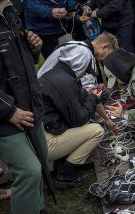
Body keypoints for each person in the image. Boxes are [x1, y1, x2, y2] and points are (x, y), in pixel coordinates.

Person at [0, 0, 66, 214]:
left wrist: (34, 49)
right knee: (28, 170)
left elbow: (18, 61)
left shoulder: (9, 11)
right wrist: (8, 111)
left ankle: (37, 213)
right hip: (2, 116)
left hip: (30, 106)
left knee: (42, 160)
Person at [38, 44, 104, 189]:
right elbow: (79, 119)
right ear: (79, 63)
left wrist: (85, 94)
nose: (85, 74)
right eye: (85, 69)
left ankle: (61, 163)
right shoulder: (66, 81)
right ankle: (66, 174)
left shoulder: (55, 73)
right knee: (97, 130)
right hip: (46, 144)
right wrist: (92, 98)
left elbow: (65, 104)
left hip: (42, 134)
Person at [37, 32, 119, 134]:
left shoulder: (76, 44)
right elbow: (91, 94)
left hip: (42, 86)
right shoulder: (84, 54)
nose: (107, 60)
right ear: (104, 47)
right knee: (101, 93)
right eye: (108, 55)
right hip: (48, 97)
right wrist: (107, 120)